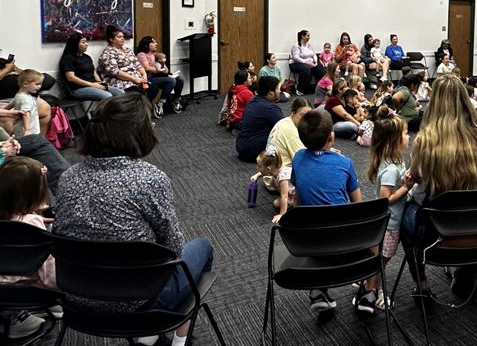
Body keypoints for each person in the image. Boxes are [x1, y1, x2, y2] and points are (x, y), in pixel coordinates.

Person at [53, 93, 214, 346]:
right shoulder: (149, 179)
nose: (153, 127)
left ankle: (150, 338)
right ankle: (175, 340)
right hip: (137, 300)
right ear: (137, 132)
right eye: (150, 123)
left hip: (76, 297)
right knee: (202, 247)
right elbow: (174, 249)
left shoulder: (68, 177)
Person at [401, 74, 477, 296]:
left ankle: (421, 283)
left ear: (434, 103)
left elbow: (416, 179)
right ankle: (467, 270)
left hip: (436, 230)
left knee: (401, 212)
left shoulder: (426, 141)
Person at [291, 109, 361, 315]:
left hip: (308, 239)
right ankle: (368, 289)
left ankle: (319, 289)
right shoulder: (345, 163)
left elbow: (298, 199)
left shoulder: (298, 158)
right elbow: (358, 205)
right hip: (343, 240)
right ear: (332, 136)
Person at [358, 105, 410, 313]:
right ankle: (372, 289)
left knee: (381, 258)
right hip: (389, 223)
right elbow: (385, 200)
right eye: (405, 134)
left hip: (392, 221)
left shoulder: (395, 161)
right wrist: (406, 187)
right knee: (382, 259)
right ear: (394, 141)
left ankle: (369, 284)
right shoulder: (389, 169)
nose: (409, 137)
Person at [0, 156, 58, 340]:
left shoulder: (26, 221)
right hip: (24, 293)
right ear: (36, 194)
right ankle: (18, 319)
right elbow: (49, 277)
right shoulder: (32, 224)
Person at [97, 26, 161, 114]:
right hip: (120, 82)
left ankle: (141, 114)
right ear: (111, 39)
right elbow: (116, 72)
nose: (122, 39)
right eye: (119, 37)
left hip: (137, 80)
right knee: (138, 94)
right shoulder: (108, 53)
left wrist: (144, 75)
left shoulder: (128, 51)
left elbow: (138, 65)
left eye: (123, 37)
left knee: (153, 89)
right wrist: (134, 79)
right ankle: (139, 115)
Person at [59, 33, 124, 100]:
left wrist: (99, 82)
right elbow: (71, 78)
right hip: (77, 89)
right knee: (107, 96)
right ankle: (104, 110)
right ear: (75, 44)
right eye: (83, 42)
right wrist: (91, 84)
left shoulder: (87, 57)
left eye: (86, 42)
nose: (86, 44)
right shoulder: (68, 58)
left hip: (94, 85)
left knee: (121, 93)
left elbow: (93, 72)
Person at [235, 76, 283, 162]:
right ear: (271, 92)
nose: (280, 91)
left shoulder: (252, 101)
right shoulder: (270, 108)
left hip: (241, 146)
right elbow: (285, 127)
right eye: (278, 88)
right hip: (254, 151)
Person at [135, 36, 183, 114]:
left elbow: (165, 70)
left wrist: (164, 67)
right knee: (171, 81)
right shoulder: (141, 55)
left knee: (180, 79)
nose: (156, 44)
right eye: (153, 42)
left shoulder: (155, 54)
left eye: (156, 42)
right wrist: (160, 70)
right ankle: (160, 103)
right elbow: (147, 68)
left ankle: (175, 100)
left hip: (156, 77)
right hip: (147, 78)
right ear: (146, 45)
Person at [251, 147, 294, 223]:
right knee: (276, 203)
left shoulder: (282, 177)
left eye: (259, 166)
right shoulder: (276, 168)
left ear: (268, 169)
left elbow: (285, 196)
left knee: (280, 203)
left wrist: (281, 215)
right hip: (290, 193)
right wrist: (257, 175)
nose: (257, 168)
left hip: (297, 195)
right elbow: (263, 172)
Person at [3, 69, 43, 138]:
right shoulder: (25, 99)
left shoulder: (18, 95)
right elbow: (25, 114)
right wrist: (27, 130)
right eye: (37, 84)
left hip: (19, 130)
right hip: (30, 131)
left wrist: (4, 110)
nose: (39, 87)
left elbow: (10, 105)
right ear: (25, 84)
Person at [289, 30, 324, 96]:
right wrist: (306, 62)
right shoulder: (296, 46)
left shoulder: (309, 46)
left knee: (320, 69)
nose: (309, 37)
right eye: (308, 36)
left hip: (310, 63)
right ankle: (300, 89)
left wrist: (315, 62)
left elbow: (314, 55)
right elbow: (295, 57)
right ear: (303, 36)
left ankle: (317, 88)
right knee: (306, 69)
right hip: (296, 64)